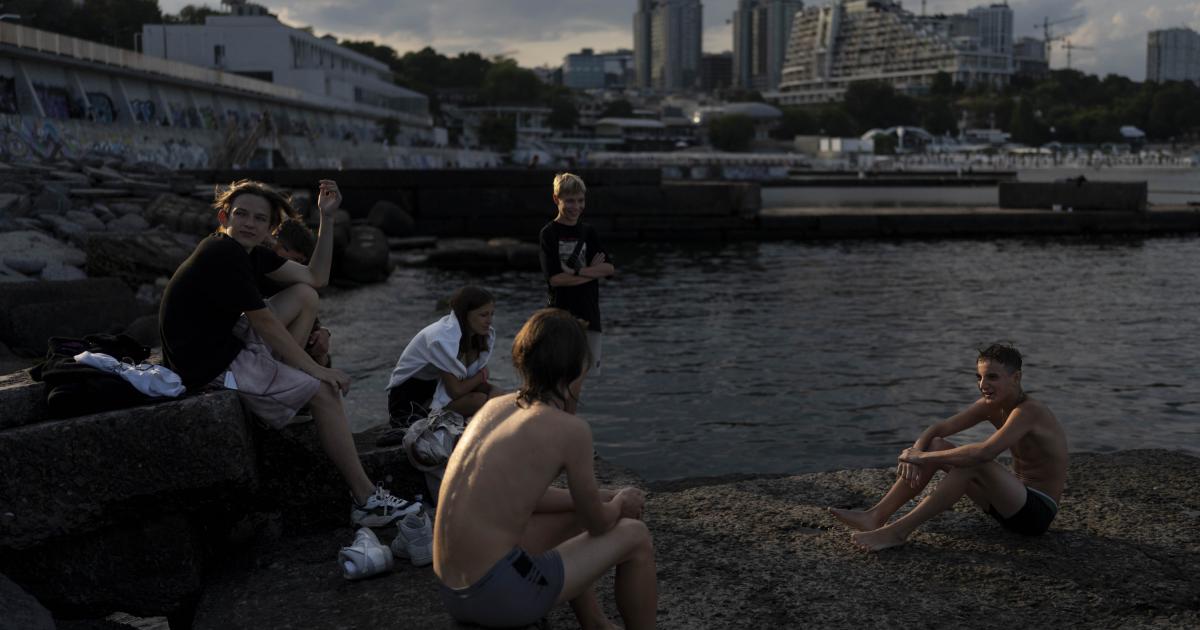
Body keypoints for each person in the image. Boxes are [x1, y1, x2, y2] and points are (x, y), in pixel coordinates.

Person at [159, 179, 419, 527]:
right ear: (224, 217)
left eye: (260, 219)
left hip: (223, 344)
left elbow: (316, 278)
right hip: (208, 368)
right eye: (241, 214)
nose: (249, 223)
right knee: (324, 392)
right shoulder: (222, 253)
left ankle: (286, 385)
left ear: (270, 228)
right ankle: (366, 499)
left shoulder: (250, 254)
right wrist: (316, 370)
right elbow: (264, 323)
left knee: (305, 295)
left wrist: (327, 218)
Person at [434, 308, 656, 629]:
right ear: (576, 369)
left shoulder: (494, 407)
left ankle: (594, 622)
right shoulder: (571, 430)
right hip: (499, 596)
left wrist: (600, 496)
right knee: (636, 536)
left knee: (574, 513)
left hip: (454, 592)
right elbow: (598, 524)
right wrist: (621, 503)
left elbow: (525, 498)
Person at [829, 344, 1069, 552]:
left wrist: (922, 457)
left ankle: (897, 532)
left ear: (1016, 378)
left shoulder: (1028, 411)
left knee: (973, 462)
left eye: (992, 377)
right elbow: (939, 428)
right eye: (979, 377)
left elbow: (984, 452)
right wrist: (916, 453)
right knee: (937, 444)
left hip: (1035, 513)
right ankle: (875, 516)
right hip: (1006, 504)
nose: (983, 384)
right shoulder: (991, 405)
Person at [385, 286, 501, 426]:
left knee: (498, 395)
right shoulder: (442, 339)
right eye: (483, 315)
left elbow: (470, 378)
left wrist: (491, 388)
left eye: (491, 314)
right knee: (479, 401)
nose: (489, 321)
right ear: (465, 315)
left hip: (434, 390)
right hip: (409, 402)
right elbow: (456, 391)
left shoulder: (474, 335)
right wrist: (483, 374)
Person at [538, 172, 615, 375]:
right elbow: (556, 279)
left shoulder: (588, 232)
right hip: (560, 318)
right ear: (556, 199)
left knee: (584, 377)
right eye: (570, 201)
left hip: (590, 317)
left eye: (580, 201)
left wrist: (577, 271)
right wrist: (592, 273)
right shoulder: (549, 233)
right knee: (560, 377)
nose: (576, 206)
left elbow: (609, 269)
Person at [261, 217, 331, 368]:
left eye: (301, 263)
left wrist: (321, 341)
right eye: (295, 260)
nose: (296, 267)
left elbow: (322, 360)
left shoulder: (291, 285)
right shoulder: (254, 266)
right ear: (275, 245)